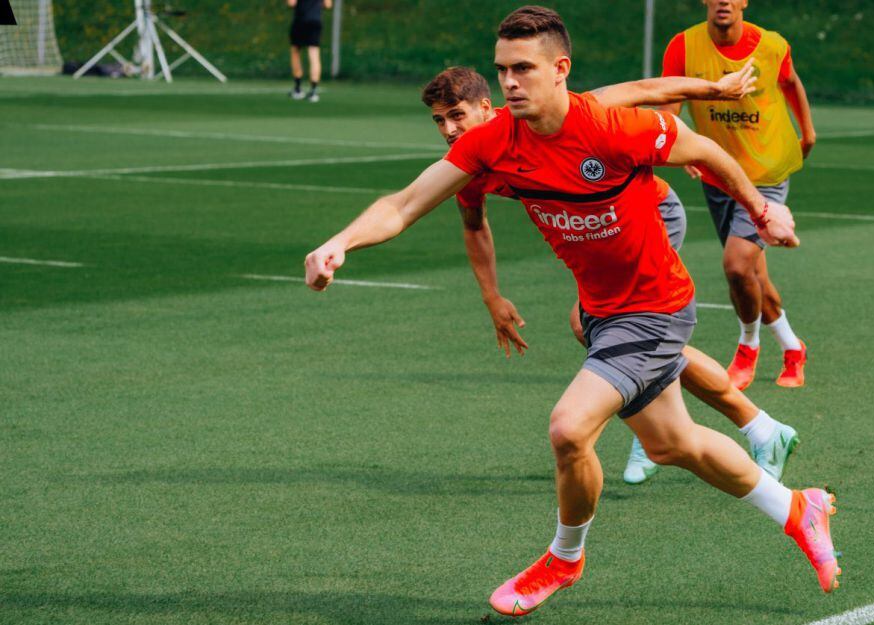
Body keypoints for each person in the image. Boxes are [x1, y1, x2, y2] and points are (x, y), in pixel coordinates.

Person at [304, 6, 841, 617]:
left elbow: (706, 150)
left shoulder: (611, 127)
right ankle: (798, 508)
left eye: (523, 69)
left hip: (656, 305)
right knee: (674, 443)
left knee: (568, 427)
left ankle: (564, 557)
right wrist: (339, 243)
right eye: (502, 69)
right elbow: (403, 204)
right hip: (604, 307)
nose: (509, 82)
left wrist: (761, 208)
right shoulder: (491, 143)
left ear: (559, 70)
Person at [421, 66, 800, 485]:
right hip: (602, 237)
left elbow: (641, 89)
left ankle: (716, 422)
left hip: (650, 213)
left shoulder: (559, 115)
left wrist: (714, 88)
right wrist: (491, 296)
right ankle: (755, 427)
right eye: (439, 120)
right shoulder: (470, 163)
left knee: (603, 328)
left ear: (486, 107)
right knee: (616, 334)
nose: (449, 129)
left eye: (457, 115)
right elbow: (474, 225)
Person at [661, 0, 816, 390]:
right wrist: (678, 146)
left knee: (736, 265)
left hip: (766, 172)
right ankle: (793, 348)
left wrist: (808, 131)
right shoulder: (683, 46)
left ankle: (747, 348)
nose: (724, 1)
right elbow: (669, 103)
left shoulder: (772, 45)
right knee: (751, 274)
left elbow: (791, 82)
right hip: (719, 175)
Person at [287, 0, 332, 102]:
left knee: (295, 51)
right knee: (314, 53)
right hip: (315, 20)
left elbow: (291, 3)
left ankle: (298, 89)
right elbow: (328, 5)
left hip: (300, 20)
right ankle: (313, 91)